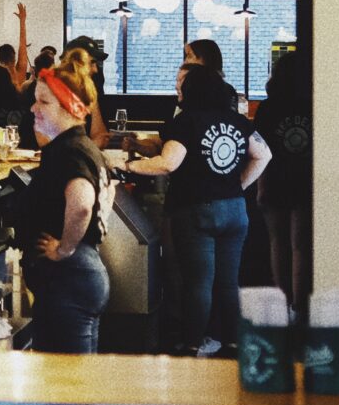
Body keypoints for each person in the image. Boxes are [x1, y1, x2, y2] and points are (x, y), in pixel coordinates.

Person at [124, 48, 271, 356]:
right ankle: (232, 342)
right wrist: (237, 184)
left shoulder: (186, 122)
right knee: (229, 282)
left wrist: (128, 166)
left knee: (198, 282)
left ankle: (192, 344)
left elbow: (167, 163)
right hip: (235, 210)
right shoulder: (237, 120)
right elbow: (264, 155)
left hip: (196, 211)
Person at [17, 53, 114, 354]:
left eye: (44, 102)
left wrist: (65, 249)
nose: (34, 108)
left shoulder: (69, 151)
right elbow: (110, 191)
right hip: (80, 274)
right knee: (78, 379)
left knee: (68, 384)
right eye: (35, 100)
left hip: (68, 278)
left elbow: (83, 202)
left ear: (71, 108)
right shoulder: (81, 146)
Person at [253, 51, 312, 310]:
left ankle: (283, 305)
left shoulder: (268, 108)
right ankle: (299, 306)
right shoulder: (313, 105)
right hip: (305, 181)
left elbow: (260, 149)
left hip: (275, 178)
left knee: (277, 243)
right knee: (300, 247)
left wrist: (261, 186)